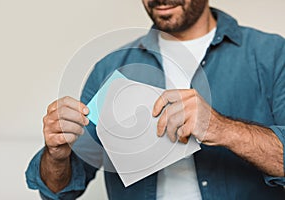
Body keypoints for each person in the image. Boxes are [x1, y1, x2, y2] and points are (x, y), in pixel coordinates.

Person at [26, 0, 285, 199]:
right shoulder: (110, 69)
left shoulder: (272, 55)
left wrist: (221, 128)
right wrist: (57, 155)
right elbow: (60, 191)